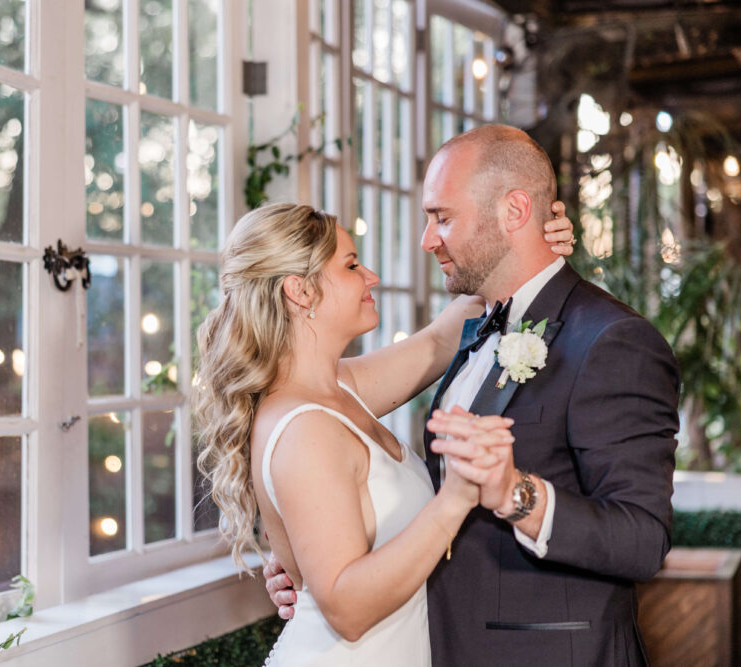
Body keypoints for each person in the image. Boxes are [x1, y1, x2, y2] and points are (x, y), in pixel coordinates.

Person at [265, 124, 681, 666]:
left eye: (443, 217)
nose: (427, 239)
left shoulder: (611, 341)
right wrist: (309, 562)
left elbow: (643, 540)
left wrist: (516, 494)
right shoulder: (466, 333)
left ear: (513, 211)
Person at [194, 199, 576, 665]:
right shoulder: (304, 429)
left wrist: (526, 247)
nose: (370, 276)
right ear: (300, 291)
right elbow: (347, 610)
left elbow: (439, 339)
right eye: (352, 265)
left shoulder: (340, 390)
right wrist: (455, 497)